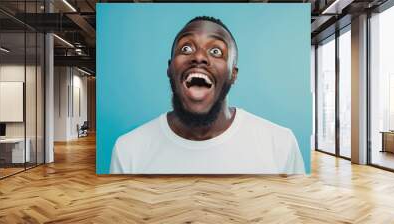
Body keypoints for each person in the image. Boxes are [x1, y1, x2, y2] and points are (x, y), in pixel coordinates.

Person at [110, 16, 305, 174]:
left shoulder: (281, 143)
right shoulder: (128, 150)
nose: (199, 57)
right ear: (170, 68)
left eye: (216, 51)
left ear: (233, 74)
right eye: (186, 48)